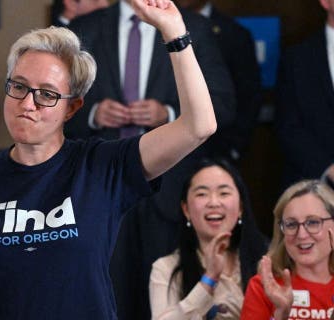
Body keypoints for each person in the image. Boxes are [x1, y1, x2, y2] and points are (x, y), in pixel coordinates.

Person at [0, 0, 217, 318]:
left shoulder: (101, 165)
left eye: (47, 94)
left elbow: (200, 125)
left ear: (73, 108)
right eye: (18, 87)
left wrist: (174, 33)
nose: (27, 103)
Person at [63, 0, 235, 318]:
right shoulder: (85, 28)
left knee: (169, 297)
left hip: (172, 189)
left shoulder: (192, 27)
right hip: (102, 189)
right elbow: (55, 106)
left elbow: (223, 105)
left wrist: (168, 114)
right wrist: (93, 113)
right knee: (107, 294)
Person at [149, 158, 268, 319]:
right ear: (186, 210)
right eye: (202, 194)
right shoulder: (166, 269)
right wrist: (209, 280)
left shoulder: (267, 261)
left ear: (240, 207)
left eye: (224, 193)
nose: (213, 202)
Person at [175, 0, 262, 164]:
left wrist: (232, 150)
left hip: (218, 150)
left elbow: (248, 98)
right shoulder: (159, 24)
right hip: (171, 149)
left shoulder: (234, 33)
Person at [240, 180, 334, 320]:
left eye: (313, 222)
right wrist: (281, 314)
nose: (301, 234)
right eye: (291, 224)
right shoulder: (264, 287)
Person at [276, 0, 334, 189]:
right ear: (325, 2)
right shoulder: (297, 59)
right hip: (314, 186)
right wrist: (328, 169)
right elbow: (288, 126)